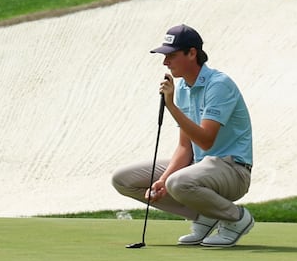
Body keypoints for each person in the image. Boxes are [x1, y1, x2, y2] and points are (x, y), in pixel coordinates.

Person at [110, 24, 256, 248]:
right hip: (199, 167)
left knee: (178, 181)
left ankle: (236, 218)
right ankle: (206, 216)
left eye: (171, 56)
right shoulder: (184, 88)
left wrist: (171, 106)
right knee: (123, 179)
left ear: (192, 53)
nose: (165, 62)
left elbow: (206, 141)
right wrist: (162, 180)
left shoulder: (219, 85)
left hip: (233, 171)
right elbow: (184, 147)